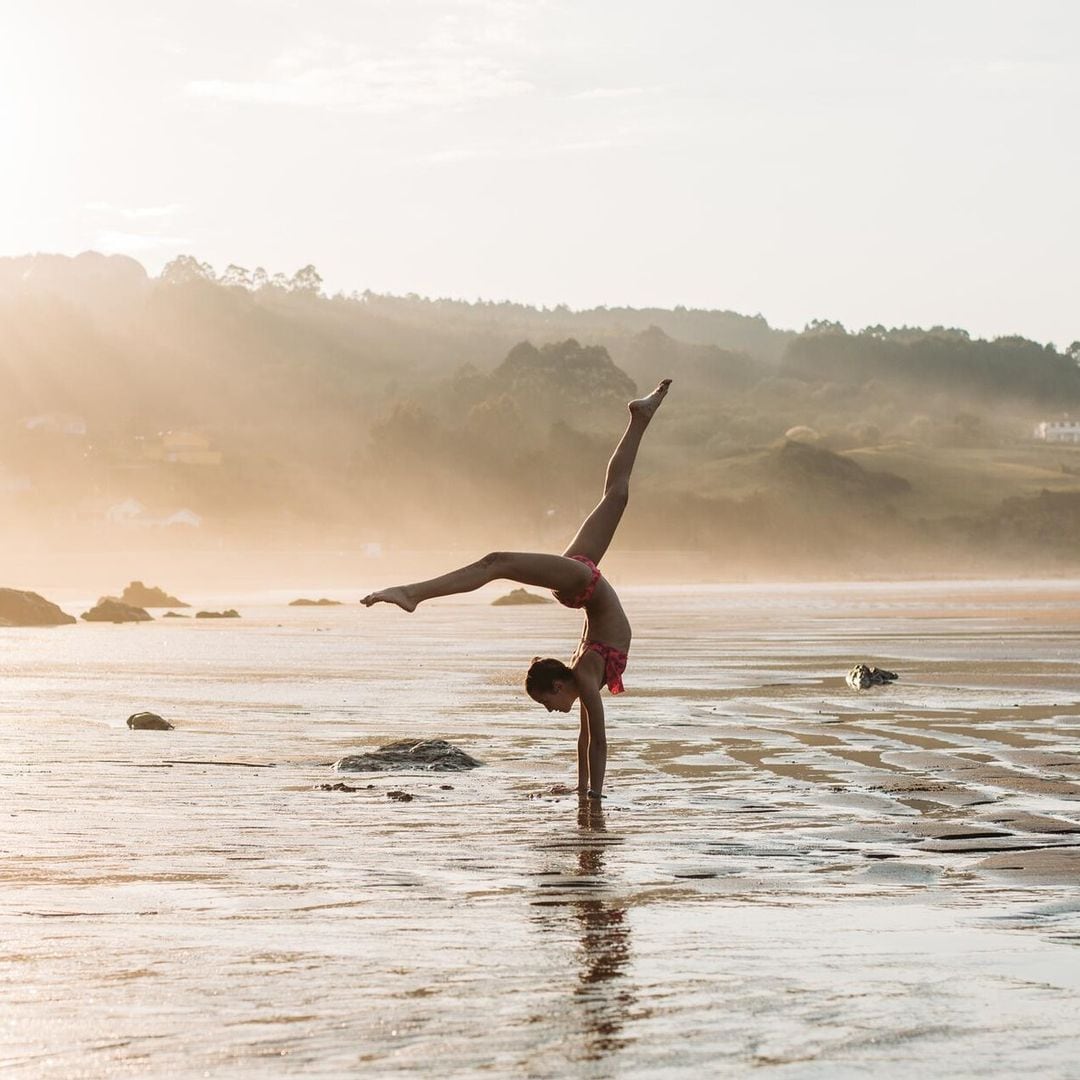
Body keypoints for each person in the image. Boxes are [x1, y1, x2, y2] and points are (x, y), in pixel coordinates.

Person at [362, 378, 672, 800]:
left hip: (583, 582)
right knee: (614, 497)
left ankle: (413, 593)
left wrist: (591, 799)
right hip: (582, 585)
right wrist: (585, 794)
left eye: (547, 703)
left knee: (498, 562)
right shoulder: (583, 676)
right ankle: (639, 419)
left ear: (559, 686)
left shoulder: (583, 674)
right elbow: (589, 741)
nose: (551, 711)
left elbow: (596, 742)